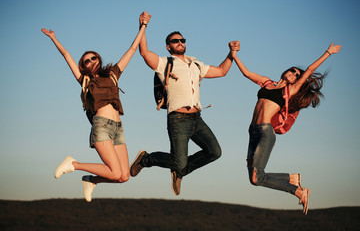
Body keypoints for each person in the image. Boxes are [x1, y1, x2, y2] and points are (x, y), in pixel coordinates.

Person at [41, 12, 151, 202]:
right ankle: (74, 164)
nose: (90, 62)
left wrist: (143, 25)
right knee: (115, 172)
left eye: (93, 58)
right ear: (83, 66)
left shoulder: (113, 74)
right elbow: (67, 55)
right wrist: (54, 39)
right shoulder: (84, 81)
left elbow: (133, 49)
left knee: (124, 176)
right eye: (86, 61)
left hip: (118, 128)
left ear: (98, 60)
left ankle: (91, 180)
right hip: (101, 126)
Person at [130, 11, 239, 196]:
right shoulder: (165, 63)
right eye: (175, 41)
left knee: (215, 152)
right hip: (178, 119)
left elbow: (221, 71)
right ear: (168, 46)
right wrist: (143, 26)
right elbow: (144, 52)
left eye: (182, 40)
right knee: (178, 161)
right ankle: (145, 159)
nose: (180, 42)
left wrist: (231, 53)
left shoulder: (196, 64)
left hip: (197, 118)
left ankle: (180, 172)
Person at [230, 41, 341, 214]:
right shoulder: (267, 83)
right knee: (254, 179)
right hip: (252, 131)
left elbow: (310, 70)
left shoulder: (290, 90)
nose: (294, 74)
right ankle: (292, 178)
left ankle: (297, 190)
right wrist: (234, 55)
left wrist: (328, 52)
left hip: (266, 132)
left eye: (297, 75)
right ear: (286, 71)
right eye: (293, 70)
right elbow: (247, 73)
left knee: (257, 176)